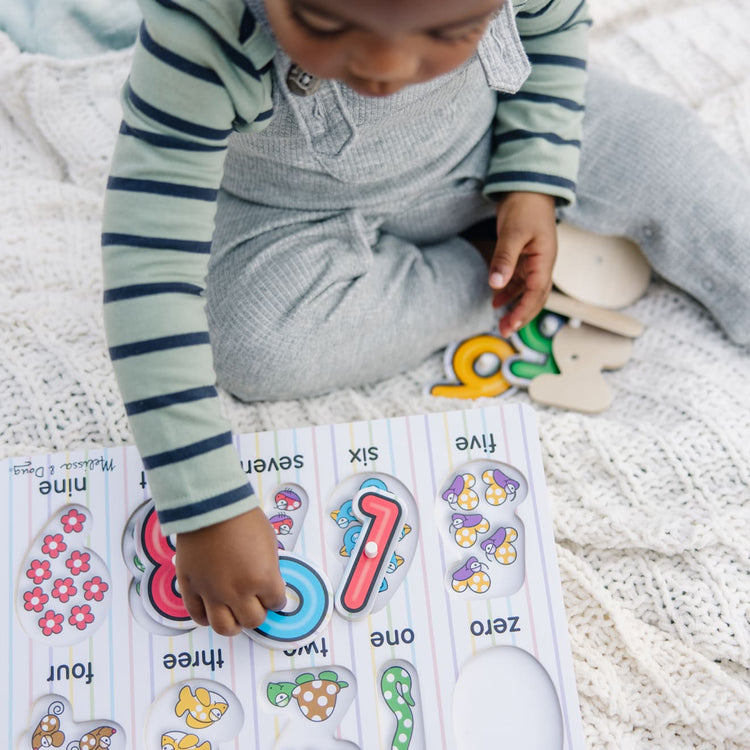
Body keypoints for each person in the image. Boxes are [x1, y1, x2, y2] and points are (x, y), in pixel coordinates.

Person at [101, 0, 750, 635]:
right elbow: (149, 264)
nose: (385, 70)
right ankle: (486, 262)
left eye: (450, 30)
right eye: (326, 24)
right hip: (296, 211)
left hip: (494, 129)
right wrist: (203, 505)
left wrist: (535, 177)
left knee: (669, 150)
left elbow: (554, 32)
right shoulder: (199, 23)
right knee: (252, 345)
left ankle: (527, 229)